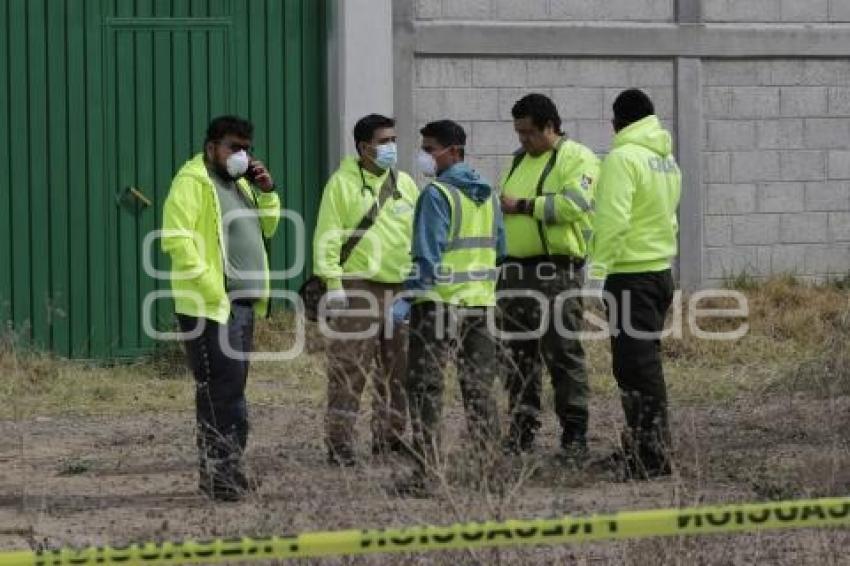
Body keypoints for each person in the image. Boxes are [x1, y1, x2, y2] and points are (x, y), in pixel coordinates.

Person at [162, 115, 281, 501]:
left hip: (242, 306)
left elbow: (269, 228)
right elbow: (177, 241)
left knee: (233, 390)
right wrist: (214, 288)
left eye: (246, 147)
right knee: (219, 391)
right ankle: (218, 477)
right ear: (212, 147)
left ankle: (229, 469)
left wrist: (267, 192)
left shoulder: (241, 185)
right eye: (234, 146)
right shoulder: (192, 183)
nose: (241, 154)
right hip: (211, 306)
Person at [394, 119, 506, 494]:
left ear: (452, 151)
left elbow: (428, 256)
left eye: (429, 149)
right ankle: (489, 472)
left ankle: (429, 475)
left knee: (425, 388)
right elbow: (500, 249)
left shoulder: (437, 195)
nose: (424, 156)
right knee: (479, 388)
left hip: (439, 306)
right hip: (480, 305)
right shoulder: (488, 194)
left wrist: (407, 300)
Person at [497, 93, 599, 463]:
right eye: (518, 133)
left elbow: (573, 205)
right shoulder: (519, 160)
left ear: (550, 127)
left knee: (562, 354)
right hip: (515, 272)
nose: (522, 140)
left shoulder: (578, 158)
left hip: (556, 272)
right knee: (517, 356)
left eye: (528, 133)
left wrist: (523, 207)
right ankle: (521, 431)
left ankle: (575, 434)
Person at [313, 114, 419, 466]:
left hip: (400, 288)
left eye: (393, 140)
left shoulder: (405, 183)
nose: (391, 148)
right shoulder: (340, 185)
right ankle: (340, 443)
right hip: (357, 288)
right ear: (364, 147)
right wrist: (332, 284)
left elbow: (416, 234)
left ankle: (389, 437)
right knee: (349, 368)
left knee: (399, 368)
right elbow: (327, 239)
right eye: (384, 141)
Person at [589, 89, 681, 480]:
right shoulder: (665, 159)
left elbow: (613, 220)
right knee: (645, 364)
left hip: (630, 274)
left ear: (616, 122)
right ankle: (645, 448)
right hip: (659, 272)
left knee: (634, 368)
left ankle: (651, 456)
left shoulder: (622, 158)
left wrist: (596, 273)